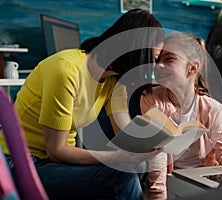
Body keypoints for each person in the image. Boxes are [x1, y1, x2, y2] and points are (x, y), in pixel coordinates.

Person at [0, 9, 164, 200]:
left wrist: (151, 136)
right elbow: (56, 151)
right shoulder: (66, 70)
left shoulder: (113, 80)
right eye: (152, 59)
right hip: (22, 163)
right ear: (136, 52)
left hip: (54, 162)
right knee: (122, 178)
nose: (152, 68)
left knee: (138, 166)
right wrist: (116, 157)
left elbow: (125, 133)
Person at [140, 32, 222, 199]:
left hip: (202, 175)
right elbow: (157, 156)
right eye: (157, 60)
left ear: (192, 68)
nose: (158, 65)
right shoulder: (152, 100)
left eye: (168, 59)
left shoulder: (213, 109)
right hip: (172, 178)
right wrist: (157, 195)